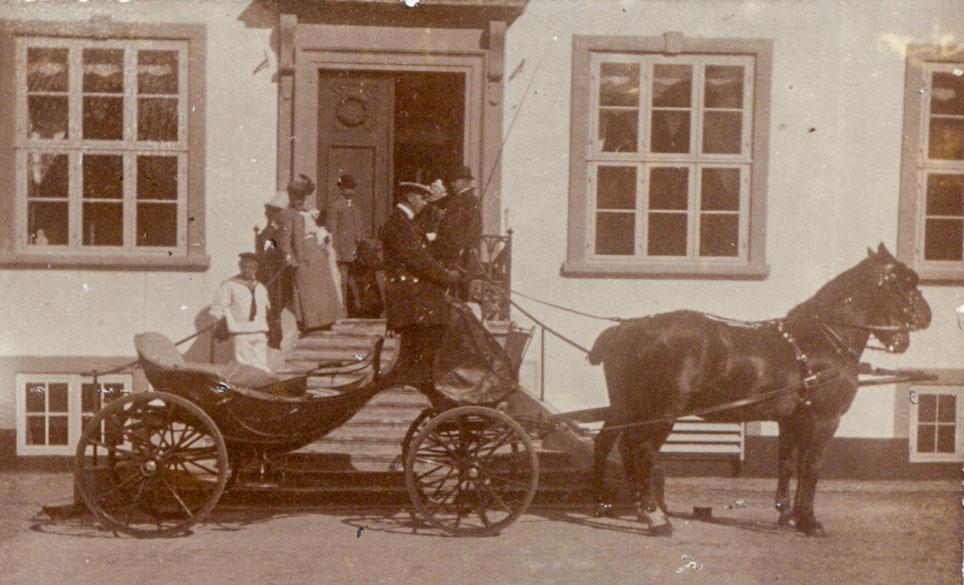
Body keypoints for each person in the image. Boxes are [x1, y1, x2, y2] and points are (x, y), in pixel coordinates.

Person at [380, 181, 463, 410]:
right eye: (422, 198)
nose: (425, 203)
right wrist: (449, 277)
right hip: (413, 302)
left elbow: (423, 258)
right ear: (409, 197)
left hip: (416, 301)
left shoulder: (407, 223)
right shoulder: (399, 224)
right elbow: (419, 261)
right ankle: (441, 400)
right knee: (432, 349)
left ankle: (440, 395)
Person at [277, 174, 346, 333]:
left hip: (317, 255)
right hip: (303, 256)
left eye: (302, 197)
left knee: (324, 289)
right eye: (295, 196)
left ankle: (327, 321)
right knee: (309, 292)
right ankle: (313, 323)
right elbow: (284, 241)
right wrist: (290, 259)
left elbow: (317, 232)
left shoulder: (308, 214)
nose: (299, 200)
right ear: (290, 196)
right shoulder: (287, 215)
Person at [210, 253, 271, 371]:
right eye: (244, 267)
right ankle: (245, 385)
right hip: (241, 331)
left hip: (259, 331)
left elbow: (266, 309)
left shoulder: (260, 288)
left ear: (256, 269)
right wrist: (218, 321)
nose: (247, 270)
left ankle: (262, 384)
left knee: (261, 365)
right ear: (240, 266)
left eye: (251, 268)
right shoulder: (230, 285)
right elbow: (218, 306)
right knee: (244, 365)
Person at [256, 191, 291, 349]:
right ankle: (272, 338)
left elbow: (277, 252)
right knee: (267, 306)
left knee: (274, 306)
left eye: (274, 210)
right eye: (270, 210)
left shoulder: (278, 230)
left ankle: (275, 339)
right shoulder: (268, 228)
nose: (270, 213)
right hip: (265, 272)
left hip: (276, 273)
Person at [328, 173, 365, 315]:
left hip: (355, 251)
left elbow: (359, 230)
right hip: (342, 252)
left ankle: (357, 309)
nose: (350, 192)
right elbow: (332, 230)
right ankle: (342, 310)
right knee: (342, 281)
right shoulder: (335, 207)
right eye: (347, 188)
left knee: (354, 281)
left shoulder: (355, 208)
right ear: (341, 189)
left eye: (352, 188)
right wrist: (335, 250)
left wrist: (360, 246)